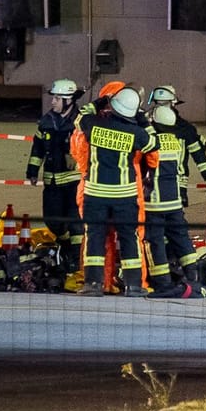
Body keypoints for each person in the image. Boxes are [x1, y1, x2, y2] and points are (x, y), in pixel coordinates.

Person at [69, 85, 159, 296]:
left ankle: (93, 284)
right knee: (129, 238)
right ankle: (134, 286)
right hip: (125, 196)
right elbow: (153, 144)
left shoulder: (94, 125)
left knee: (95, 238)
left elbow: (80, 116)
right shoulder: (135, 132)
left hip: (95, 194)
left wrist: (101, 101)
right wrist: (143, 119)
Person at [25, 77, 84, 287]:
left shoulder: (81, 122)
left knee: (76, 223)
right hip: (52, 181)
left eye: (58, 98)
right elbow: (38, 148)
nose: (53, 102)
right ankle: (65, 246)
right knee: (52, 221)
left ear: (69, 101)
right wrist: (32, 170)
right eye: (54, 98)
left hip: (74, 183)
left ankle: (76, 264)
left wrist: (77, 157)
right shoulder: (47, 121)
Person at [143, 105, 199, 298]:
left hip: (155, 202)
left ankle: (163, 282)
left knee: (154, 241)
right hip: (174, 202)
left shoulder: (152, 141)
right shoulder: (175, 141)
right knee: (181, 238)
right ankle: (193, 275)